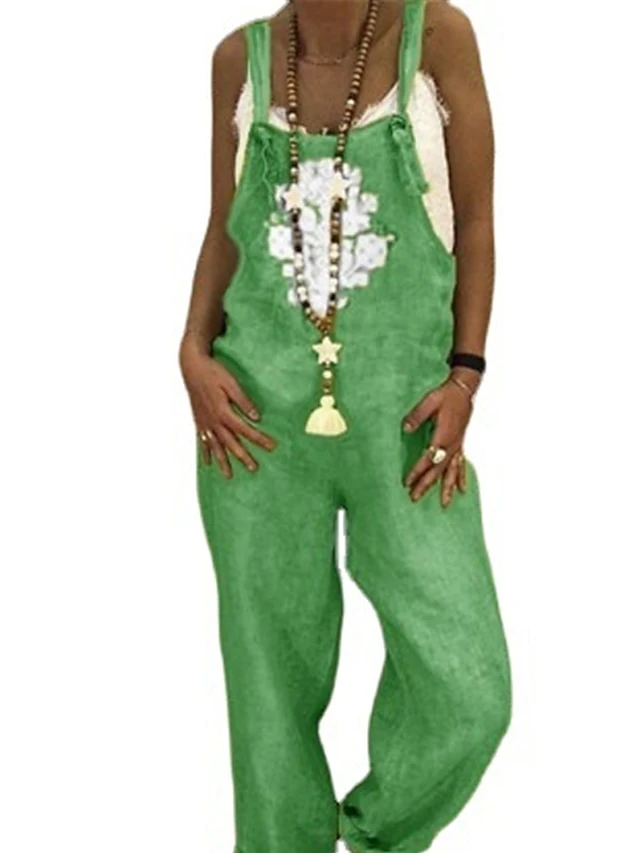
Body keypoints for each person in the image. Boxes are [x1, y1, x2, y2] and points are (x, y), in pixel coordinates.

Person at [179, 1, 511, 850]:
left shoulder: (437, 36)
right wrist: (190, 352)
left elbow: (476, 220)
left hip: (407, 425)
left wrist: (466, 373)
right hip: (253, 424)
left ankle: (369, 837)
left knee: (469, 691)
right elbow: (224, 229)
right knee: (268, 685)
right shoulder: (240, 59)